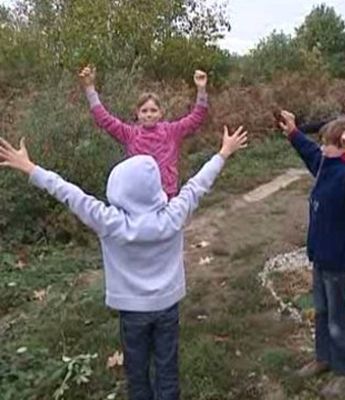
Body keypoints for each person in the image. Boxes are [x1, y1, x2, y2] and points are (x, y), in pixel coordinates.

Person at [0, 126, 247, 400]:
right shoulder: (174, 214)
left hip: (132, 311)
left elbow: (69, 193)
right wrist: (223, 152)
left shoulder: (109, 222)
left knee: (137, 372)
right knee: (167, 368)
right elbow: (199, 183)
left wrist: (30, 167)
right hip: (167, 306)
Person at [278, 110, 345, 398]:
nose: (322, 147)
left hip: (338, 258)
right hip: (320, 255)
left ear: (344, 146)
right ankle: (323, 357)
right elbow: (311, 151)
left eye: (328, 143)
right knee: (321, 312)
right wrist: (294, 132)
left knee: (339, 316)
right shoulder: (325, 165)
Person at [79, 65, 210, 198]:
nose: (149, 114)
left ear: (160, 113)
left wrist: (201, 89)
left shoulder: (172, 131)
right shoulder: (130, 134)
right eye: (144, 111)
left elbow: (196, 118)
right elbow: (104, 119)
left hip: (168, 196)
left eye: (153, 110)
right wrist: (90, 89)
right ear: (138, 113)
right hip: (139, 197)